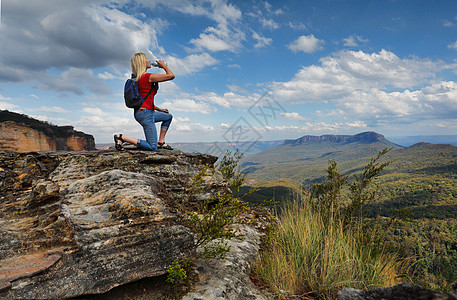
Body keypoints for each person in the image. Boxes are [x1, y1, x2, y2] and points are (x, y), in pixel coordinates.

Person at [114, 52, 175, 151]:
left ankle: (161, 141)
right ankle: (121, 137)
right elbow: (171, 76)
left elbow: (144, 99)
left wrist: (160, 109)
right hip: (146, 114)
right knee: (152, 147)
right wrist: (163, 66)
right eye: (147, 59)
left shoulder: (138, 77)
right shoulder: (147, 77)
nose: (149, 61)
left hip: (144, 112)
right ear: (142, 62)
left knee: (168, 117)